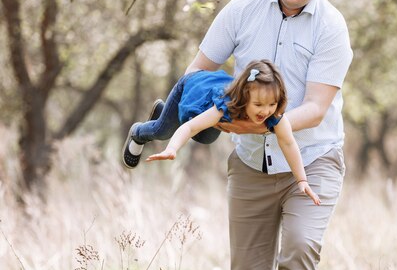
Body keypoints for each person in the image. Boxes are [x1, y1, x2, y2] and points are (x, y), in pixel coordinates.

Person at [185, 0, 352, 270]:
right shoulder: (241, 10)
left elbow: (316, 108)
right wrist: (209, 109)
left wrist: (257, 125)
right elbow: (195, 72)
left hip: (312, 161)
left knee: (298, 251)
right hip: (249, 164)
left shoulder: (331, 27)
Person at [121, 60, 320, 205]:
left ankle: (164, 114)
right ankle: (139, 132)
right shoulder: (226, 104)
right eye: (258, 104)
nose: (265, 111)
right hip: (192, 89)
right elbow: (189, 127)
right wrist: (172, 148)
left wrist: (301, 179)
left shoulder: (275, 115)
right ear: (244, 97)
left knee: (206, 137)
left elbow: (288, 143)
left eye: (271, 104)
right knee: (163, 131)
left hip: (208, 111)